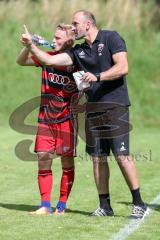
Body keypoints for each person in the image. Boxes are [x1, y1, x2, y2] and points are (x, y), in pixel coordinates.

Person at [21, 10, 148, 219]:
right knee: (98, 159)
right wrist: (31, 45)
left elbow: (123, 67)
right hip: (93, 109)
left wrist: (98, 77)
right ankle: (105, 206)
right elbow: (48, 60)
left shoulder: (110, 37)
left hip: (115, 106)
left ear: (87, 24)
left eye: (75, 23)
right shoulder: (78, 52)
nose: (73, 27)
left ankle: (138, 203)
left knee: (122, 155)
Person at [16, 24, 79, 215]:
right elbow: (21, 61)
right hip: (45, 120)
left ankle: (62, 204)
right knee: (44, 158)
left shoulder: (77, 60)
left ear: (69, 40)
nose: (54, 40)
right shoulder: (47, 56)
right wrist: (29, 44)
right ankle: (45, 204)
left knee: (67, 163)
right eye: (54, 36)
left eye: (59, 38)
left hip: (67, 120)